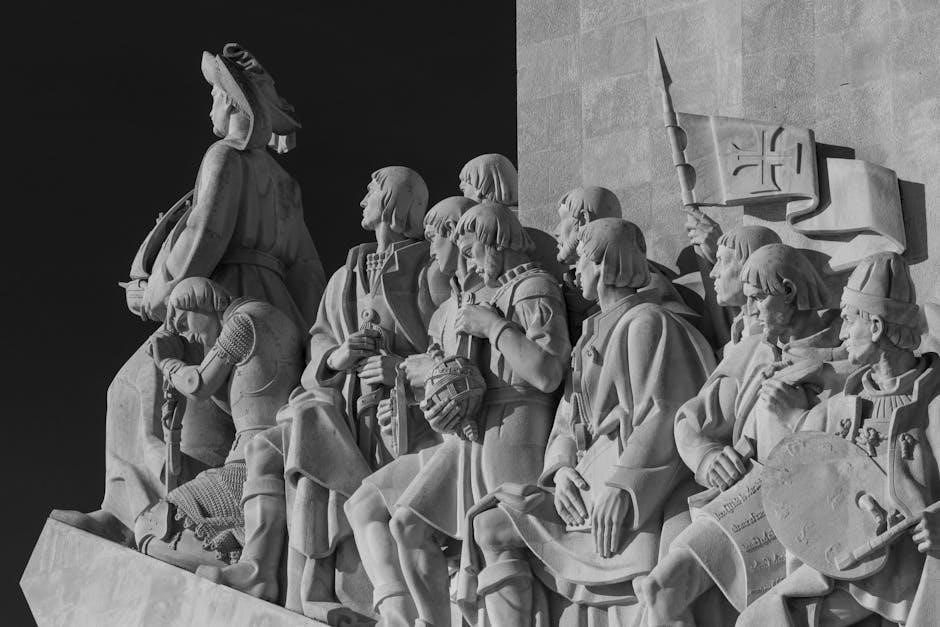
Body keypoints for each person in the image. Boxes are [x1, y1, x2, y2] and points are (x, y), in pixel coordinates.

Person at [52, 43, 324, 544]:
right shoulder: (287, 184)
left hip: (213, 297)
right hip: (273, 306)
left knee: (137, 391)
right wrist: (306, 337)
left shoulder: (224, 157)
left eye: (215, 96)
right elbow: (307, 269)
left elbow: (205, 237)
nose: (210, 108)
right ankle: (191, 521)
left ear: (233, 104)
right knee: (218, 425)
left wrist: (153, 296)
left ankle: (130, 517)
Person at [200, 166, 443, 620]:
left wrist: (400, 368)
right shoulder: (343, 278)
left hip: (397, 417)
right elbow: (319, 348)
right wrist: (338, 357)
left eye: (372, 190)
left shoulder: (430, 270)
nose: (362, 200)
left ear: (394, 199)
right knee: (268, 445)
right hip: (341, 407)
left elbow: (447, 344)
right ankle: (261, 569)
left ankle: (314, 591)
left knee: (308, 431)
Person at [459, 219, 715, 626]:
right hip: (585, 485)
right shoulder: (587, 338)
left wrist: (624, 486)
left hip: (626, 484)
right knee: (490, 525)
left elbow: (664, 412)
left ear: (605, 263)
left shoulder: (646, 322)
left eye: (581, 259)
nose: (573, 268)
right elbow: (567, 419)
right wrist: (560, 471)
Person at [636, 243, 850, 624]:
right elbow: (690, 420)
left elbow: (856, 441)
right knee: (659, 589)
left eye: (757, 298)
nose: (748, 309)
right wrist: (708, 457)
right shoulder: (755, 351)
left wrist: (796, 416)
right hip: (746, 498)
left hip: (808, 510)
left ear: (789, 291)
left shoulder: (847, 345)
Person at [389, 201, 571, 627]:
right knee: (407, 522)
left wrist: (494, 327)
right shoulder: (487, 297)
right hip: (477, 430)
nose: (467, 262)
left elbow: (546, 374)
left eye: (471, 251)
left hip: (519, 418)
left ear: (495, 242)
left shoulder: (534, 288)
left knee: (500, 535)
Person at [740, 252, 939, 626]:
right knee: (759, 619)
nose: (842, 333)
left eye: (848, 319)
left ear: (876, 327)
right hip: (841, 570)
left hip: (907, 583)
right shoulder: (837, 410)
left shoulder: (935, 405)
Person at [344, 195, 479, 625]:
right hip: (444, 440)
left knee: (404, 520)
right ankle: (398, 616)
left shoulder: (484, 301)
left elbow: (474, 382)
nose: (430, 248)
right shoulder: (444, 314)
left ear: (460, 238)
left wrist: (403, 370)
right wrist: (404, 407)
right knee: (363, 505)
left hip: (473, 448)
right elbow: (436, 384)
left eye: (436, 237)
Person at [134, 277, 303, 572]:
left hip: (249, 464)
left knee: (150, 526)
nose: (188, 336)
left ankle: (243, 565)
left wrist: (168, 363)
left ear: (200, 303)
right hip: (264, 453)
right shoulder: (265, 318)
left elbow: (198, 383)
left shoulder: (242, 321)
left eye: (184, 323)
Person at [552, 186, 703, 341]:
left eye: (562, 219)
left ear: (583, 219)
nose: (555, 231)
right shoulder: (572, 287)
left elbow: (672, 337)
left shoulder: (643, 283)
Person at [708, 225, 782, 347]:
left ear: (750, 268)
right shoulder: (736, 337)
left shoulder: (781, 343)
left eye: (722, 261)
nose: (713, 273)